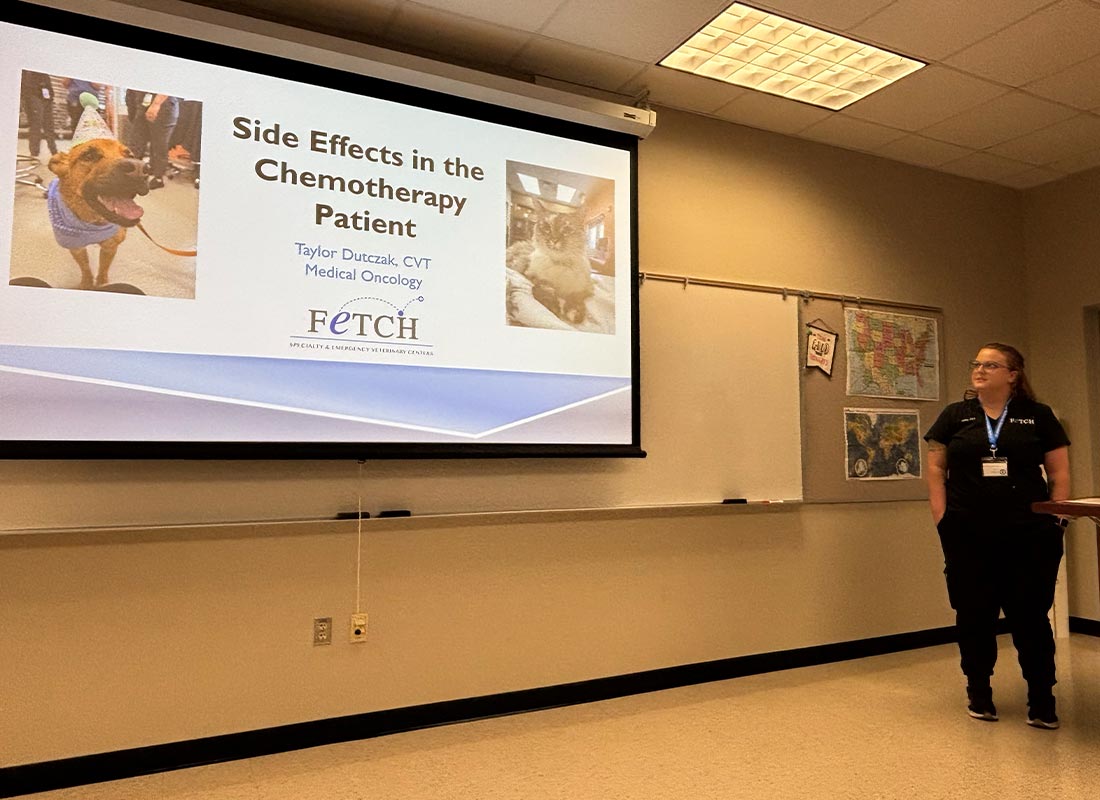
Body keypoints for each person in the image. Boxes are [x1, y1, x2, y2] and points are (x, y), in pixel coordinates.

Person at [924, 343, 1071, 729]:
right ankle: (979, 692)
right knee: (974, 615)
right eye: (976, 363)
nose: (980, 370)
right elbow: (936, 470)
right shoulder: (954, 416)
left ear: (1013, 374)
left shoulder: (1038, 417)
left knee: (1031, 617)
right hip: (968, 533)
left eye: (991, 364)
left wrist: (1057, 518)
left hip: (1029, 534)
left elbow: (1058, 474)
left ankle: (1041, 698)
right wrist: (942, 517)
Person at [125, 89, 180, 189]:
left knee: (159, 145)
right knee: (135, 143)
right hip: (143, 103)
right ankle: (131, 175)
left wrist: (156, 104)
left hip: (163, 104)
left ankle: (158, 178)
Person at [20, 71, 58, 159]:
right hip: (33, 95)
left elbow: (47, 81)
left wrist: (50, 96)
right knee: (36, 125)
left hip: (46, 96)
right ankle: (34, 154)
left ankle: (54, 152)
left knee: (49, 125)